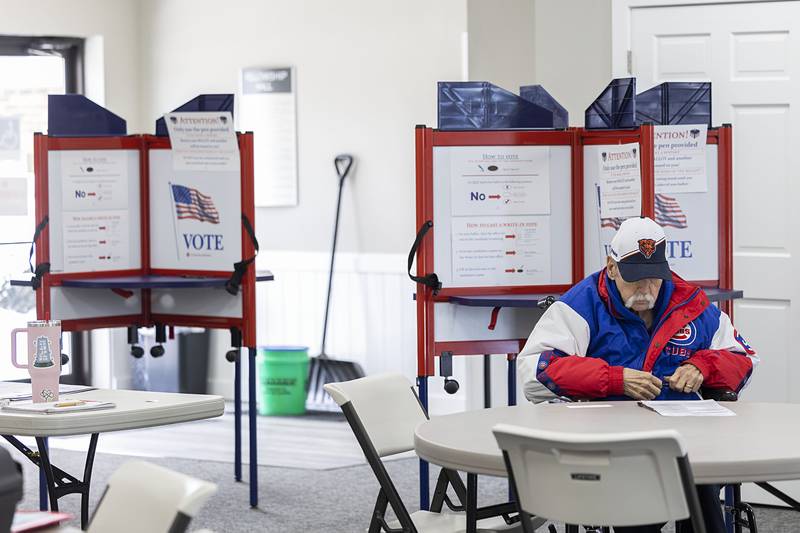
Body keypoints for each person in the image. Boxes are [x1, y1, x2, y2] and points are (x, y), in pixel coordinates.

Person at [518, 216, 758, 533]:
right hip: (614, 445)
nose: (645, 289)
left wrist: (703, 366)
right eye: (635, 278)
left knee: (702, 485)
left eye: (654, 278)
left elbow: (743, 359)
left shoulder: (690, 303)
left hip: (689, 440)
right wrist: (615, 379)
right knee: (638, 506)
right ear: (612, 266)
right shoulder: (581, 304)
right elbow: (535, 371)